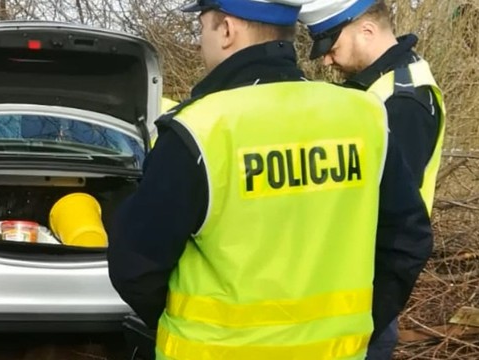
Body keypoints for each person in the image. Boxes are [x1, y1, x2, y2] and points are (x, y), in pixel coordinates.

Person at [106, 0, 434, 359]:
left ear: (228, 30)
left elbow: (135, 266)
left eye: (203, 28)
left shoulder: (201, 129)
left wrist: (183, 320)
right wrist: (363, 322)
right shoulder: (363, 117)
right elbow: (407, 241)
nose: (200, 43)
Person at [298, 1, 445, 357]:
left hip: (362, 301)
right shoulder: (374, 88)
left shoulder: (403, 101)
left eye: (331, 48)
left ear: (366, 31)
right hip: (345, 291)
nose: (327, 61)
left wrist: (370, 319)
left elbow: (397, 224)